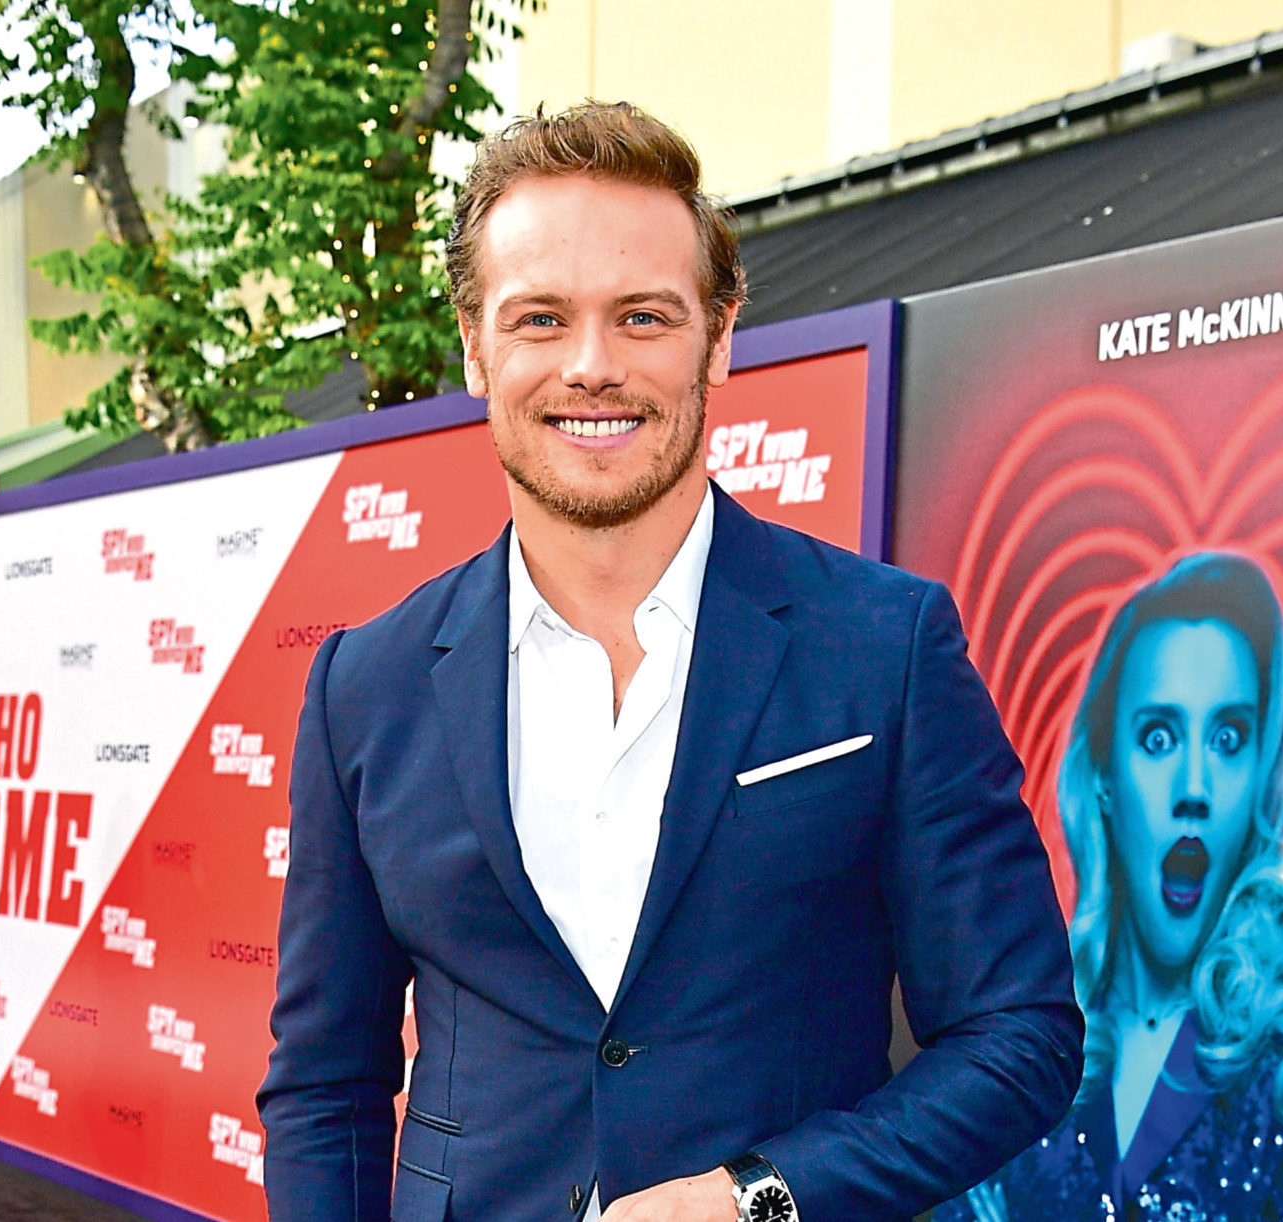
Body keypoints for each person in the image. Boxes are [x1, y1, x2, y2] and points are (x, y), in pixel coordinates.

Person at [257, 102, 1083, 1222]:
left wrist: (758, 1199)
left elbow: (1018, 1036)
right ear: (474, 342)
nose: (592, 367)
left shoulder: (883, 645)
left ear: (720, 333)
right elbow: (325, 1081)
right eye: (540, 317)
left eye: (643, 316)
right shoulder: (366, 685)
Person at [939, 552, 1283, 1222]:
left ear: (1260, 775)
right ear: (1107, 779)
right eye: (1158, 736)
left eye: (1228, 738)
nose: (1194, 788)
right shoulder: (1019, 1020)